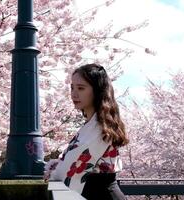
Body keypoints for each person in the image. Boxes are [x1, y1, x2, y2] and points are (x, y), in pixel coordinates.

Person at [44, 63, 129, 200]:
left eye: (81, 88)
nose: (74, 93)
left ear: (97, 90)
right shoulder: (93, 125)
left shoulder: (99, 128)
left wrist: (53, 171)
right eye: (72, 88)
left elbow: (69, 168)